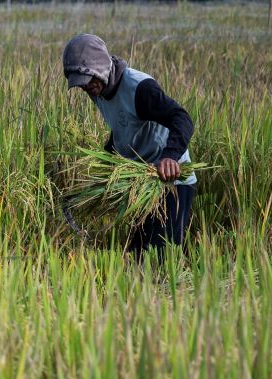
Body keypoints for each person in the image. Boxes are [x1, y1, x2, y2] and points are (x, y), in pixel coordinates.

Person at [63, 33, 197, 256]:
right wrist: (104, 167)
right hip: (143, 184)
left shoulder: (139, 88)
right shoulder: (99, 91)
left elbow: (181, 118)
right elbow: (123, 128)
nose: (85, 88)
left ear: (100, 69)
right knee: (135, 255)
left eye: (87, 81)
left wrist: (170, 156)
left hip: (171, 182)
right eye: (80, 84)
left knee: (160, 259)